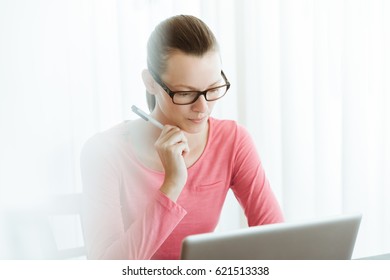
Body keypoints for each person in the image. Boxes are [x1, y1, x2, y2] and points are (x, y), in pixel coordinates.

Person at [80, 14, 283, 260]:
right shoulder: (104, 152)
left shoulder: (233, 140)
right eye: (186, 94)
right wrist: (172, 185)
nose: (203, 108)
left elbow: (276, 239)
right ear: (151, 83)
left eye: (213, 89)